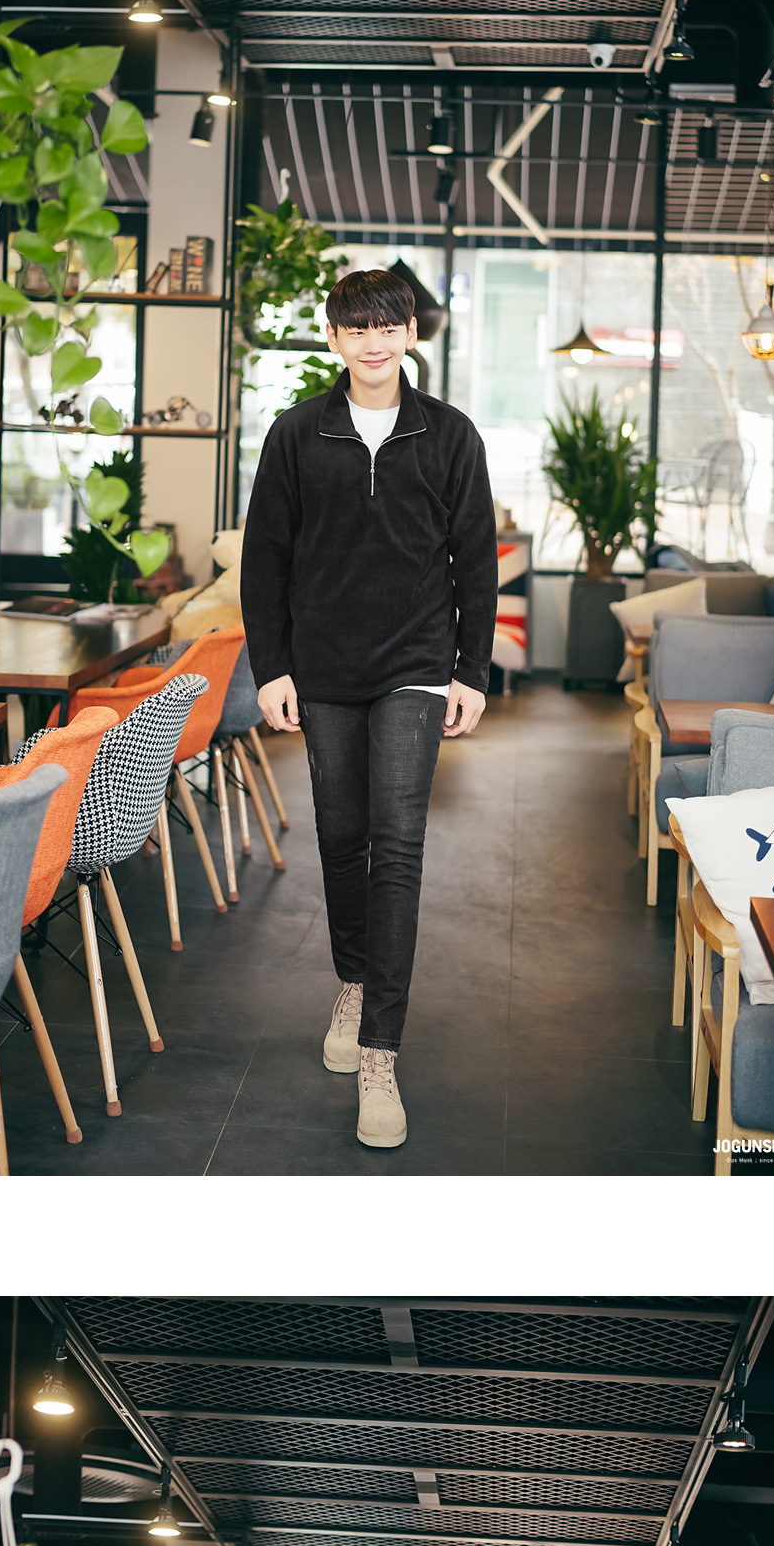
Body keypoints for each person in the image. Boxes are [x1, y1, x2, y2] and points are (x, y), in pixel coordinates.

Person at [239, 263, 499, 1152]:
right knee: (342, 837)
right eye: (358, 328)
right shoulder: (296, 434)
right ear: (335, 338)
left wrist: (472, 669)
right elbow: (266, 558)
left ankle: (381, 1049)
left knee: (399, 844)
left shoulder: (450, 434)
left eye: (390, 326)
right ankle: (353, 979)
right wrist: (272, 667)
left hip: (417, 665)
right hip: (324, 668)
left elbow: (475, 557)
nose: (375, 342)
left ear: (411, 333)